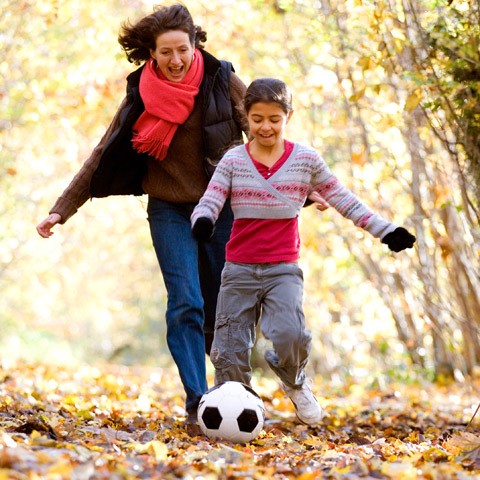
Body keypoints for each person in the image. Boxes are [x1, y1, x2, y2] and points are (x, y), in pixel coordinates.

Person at [36, 4, 250, 430]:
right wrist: (62, 208)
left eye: (182, 51)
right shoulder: (141, 91)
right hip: (168, 209)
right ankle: (197, 401)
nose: (175, 61)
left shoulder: (222, 79)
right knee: (186, 301)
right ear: (151, 54)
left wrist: (304, 186)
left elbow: (263, 132)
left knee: (223, 309)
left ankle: (234, 394)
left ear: (195, 46)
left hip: (222, 207)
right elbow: (104, 150)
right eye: (165, 53)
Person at [190, 77, 416, 426]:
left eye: (274, 119)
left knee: (291, 335)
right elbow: (211, 199)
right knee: (229, 347)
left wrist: (385, 231)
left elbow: (343, 199)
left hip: (283, 269)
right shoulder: (234, 160)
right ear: (245, 117)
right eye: (258, 119)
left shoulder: (305, 160)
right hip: (238, 268)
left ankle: (294, 381)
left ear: (288, 116)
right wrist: (203, 220)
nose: (265, 127)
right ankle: (235, 410)